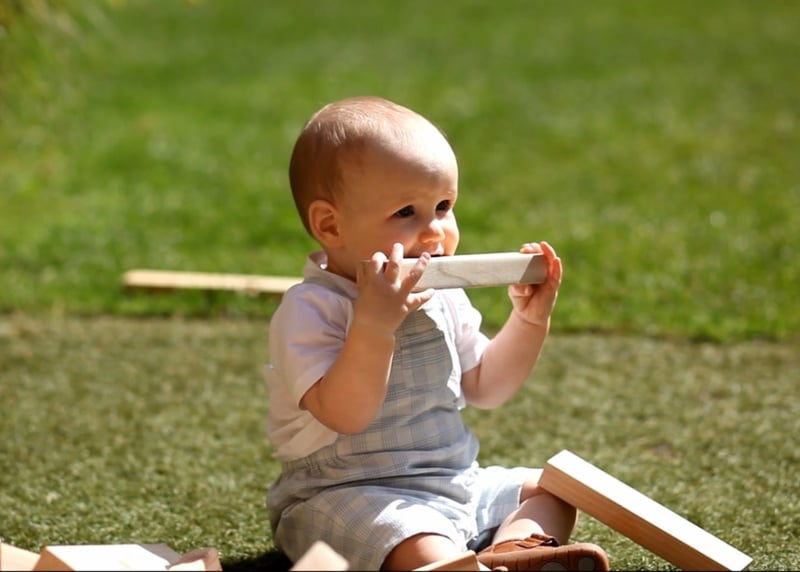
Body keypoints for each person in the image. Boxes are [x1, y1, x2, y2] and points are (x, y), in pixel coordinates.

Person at [264, 95, 609, 571]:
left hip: (456, 483)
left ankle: (515, 551)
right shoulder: (311, 309)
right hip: (349, 494)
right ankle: (457, 564)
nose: (434, 233)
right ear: (331, 225)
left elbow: (486, 387)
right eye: (406, 212)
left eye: (444, 206)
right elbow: (345, 414)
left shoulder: (443, 294)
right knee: (417, 540)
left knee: (551, 492)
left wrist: (529, 321)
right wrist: (374, 324)